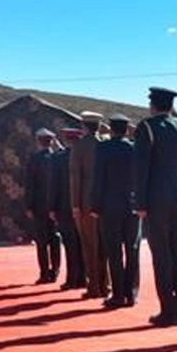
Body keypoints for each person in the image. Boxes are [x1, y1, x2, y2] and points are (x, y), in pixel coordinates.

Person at [135, 86, 177, 327]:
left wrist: (140, 202)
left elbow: (141, 168)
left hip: (156, 200)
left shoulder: (147, 128)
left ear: (153, 105)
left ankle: (168, 311)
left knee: (162, 256)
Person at [91, 114, 140, 308]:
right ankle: (131, 293)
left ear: (111, 129)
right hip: (133, 205)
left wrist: (95, 206)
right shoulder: (135, 148)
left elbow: (98, 179)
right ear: (126, 129)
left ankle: (118, 294)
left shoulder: (103, 148)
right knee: (132, 249)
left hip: (110, 205)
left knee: (114, 251)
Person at [70, 111, 110, 299]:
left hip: (86, 200)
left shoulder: (79, 146)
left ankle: (94, 286)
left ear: (83, 126)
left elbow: (75, 177)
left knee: (89, 244)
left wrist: (75, 204)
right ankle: (106, 284)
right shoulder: (105, 143)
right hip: (105, 200)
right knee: (104, 244)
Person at [49, 128, 86, 290]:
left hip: (64, 207)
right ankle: (83, 277)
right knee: (82, 243)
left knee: (70, 245)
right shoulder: (85, 157)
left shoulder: (58, 159)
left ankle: (72, 279)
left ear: (66, 140)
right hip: (83, 205)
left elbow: (53, 185)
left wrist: (52, 207)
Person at [24, 130, 61, 284]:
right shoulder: (58, 158)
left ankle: (44, 273)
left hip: (39, 205)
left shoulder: (34, 160)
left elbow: (30, 184)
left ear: (38, 142)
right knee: (55, 238)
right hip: (56, 205)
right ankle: (55, 271)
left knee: (42, 241)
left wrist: (28, 205)